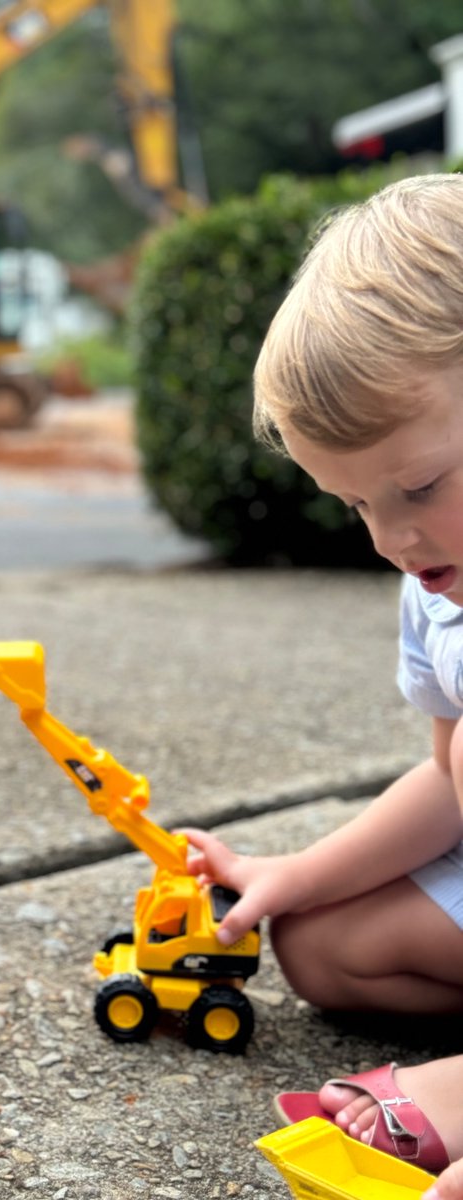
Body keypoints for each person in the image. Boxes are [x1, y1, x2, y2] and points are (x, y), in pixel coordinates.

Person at [179, 173, 463, 1199]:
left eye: (420, 487)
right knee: (319, 945)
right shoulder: (437, 592)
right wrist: (293, 870)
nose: (394, 539)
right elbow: (445, 786)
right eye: (356, 505)